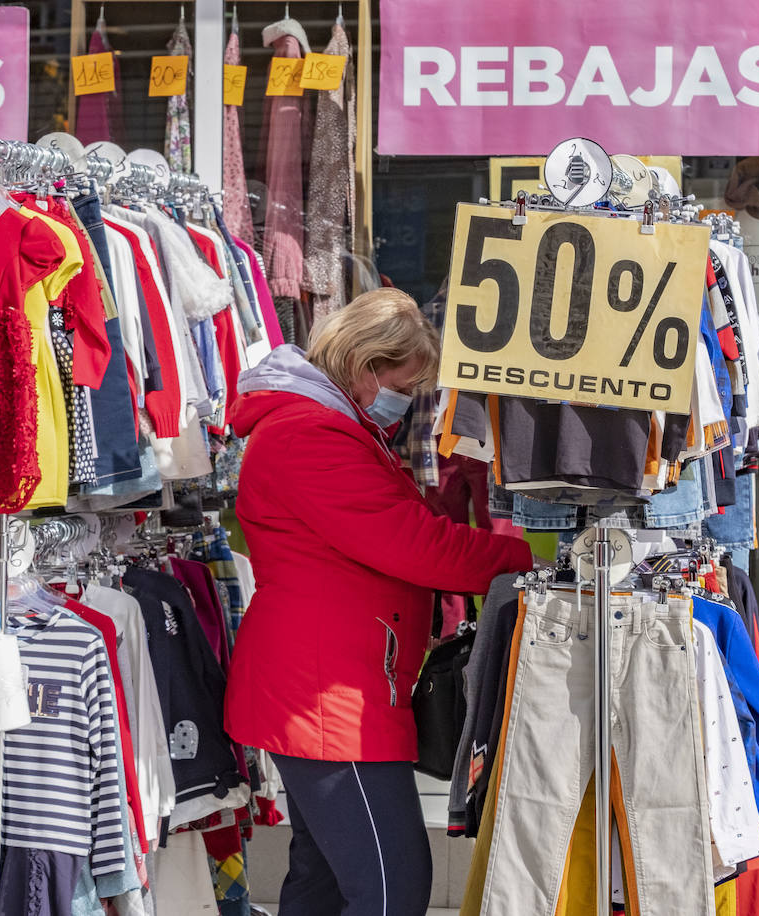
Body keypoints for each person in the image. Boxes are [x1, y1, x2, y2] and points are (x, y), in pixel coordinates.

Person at [226, 289, 534, 916]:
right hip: (328, 698)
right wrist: (527, 564)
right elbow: (413, 543)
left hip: (333, 685)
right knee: (391, 886)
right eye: (407, 382)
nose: (409, 399)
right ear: (368, 368)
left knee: (324, 881)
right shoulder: (309, 434)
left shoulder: (322, 425)